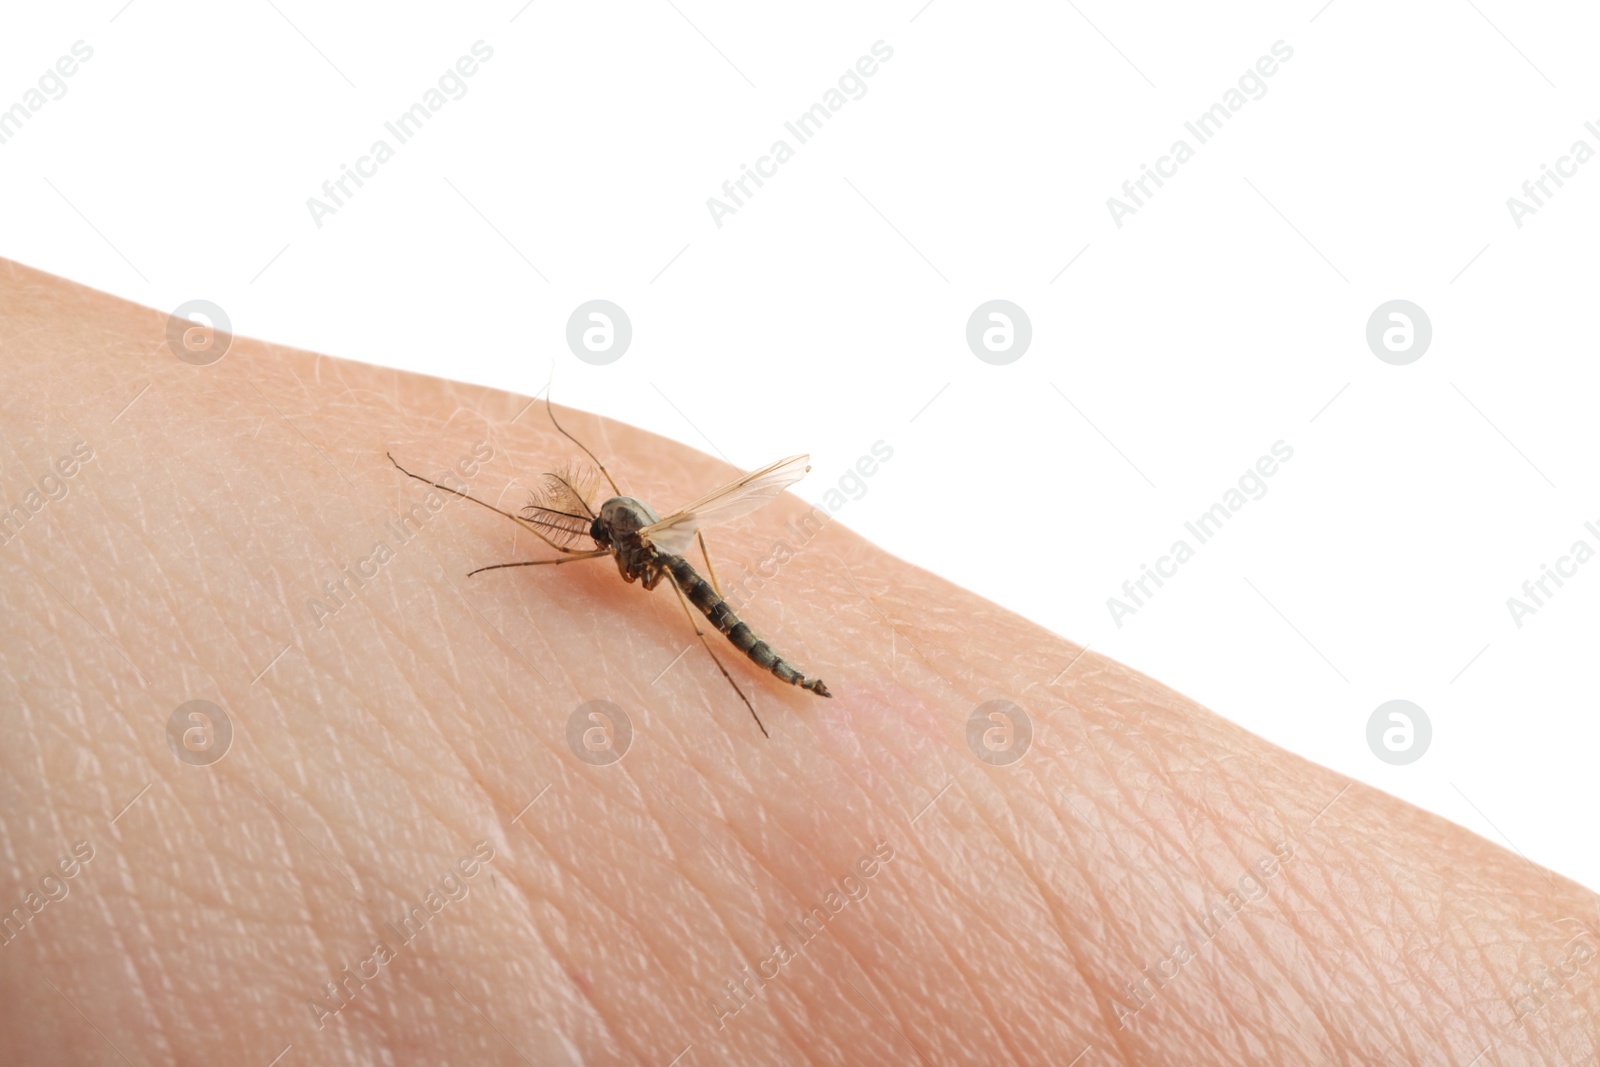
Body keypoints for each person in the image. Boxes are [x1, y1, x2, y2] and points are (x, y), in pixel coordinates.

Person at [1, 258, 1595, 1065]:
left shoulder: (628, 558)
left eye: (592, 533)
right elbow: (582, 495)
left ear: (611, 539)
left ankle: (786, 702)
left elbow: (576, 539)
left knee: (727, 645)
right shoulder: (625, 533)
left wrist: (514, 543)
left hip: (716, 615)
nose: (590, 538)